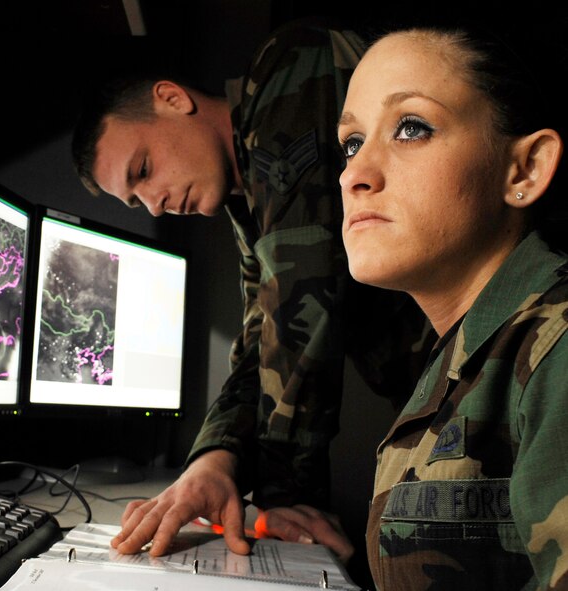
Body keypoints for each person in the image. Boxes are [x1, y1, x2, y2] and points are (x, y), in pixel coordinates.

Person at [71, 16, 430, 566]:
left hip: (519, 339)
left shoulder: (287, 66)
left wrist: (284, 499)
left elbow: (303, 301)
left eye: (144, 170)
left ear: (171, 98)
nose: (156, 203)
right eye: (136, 201)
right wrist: (212, 461)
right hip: (446, 385)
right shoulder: (250, 209)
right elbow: (260, 342)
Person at [337, 21, 568, 589]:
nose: (355, 175)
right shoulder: (464, 355)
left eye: (411, 127)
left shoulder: (558, 349)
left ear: (525, 168)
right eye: (350, 143)